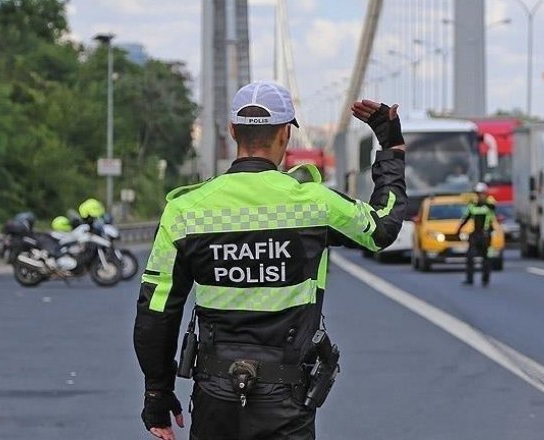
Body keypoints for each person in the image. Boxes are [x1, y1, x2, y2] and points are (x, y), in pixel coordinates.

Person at [133, 80, 407, 440]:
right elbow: (382, 228)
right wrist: (391, 149)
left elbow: (155, 313)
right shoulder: (315, 204)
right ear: (285, 135)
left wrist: (158, 393)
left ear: (233, 132)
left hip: (215, 396)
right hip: (286, 397)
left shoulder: (184, 211)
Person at [456, 182, 497, 287]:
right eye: (478, 194)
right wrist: (458, 230)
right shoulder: (472, 206)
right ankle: (470, 279)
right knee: (470, 256)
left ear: (485, 193)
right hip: (475, 234)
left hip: (486, 234)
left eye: (482, 193)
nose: (480, 196)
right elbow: (466, 218)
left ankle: (485, 279)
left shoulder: (489, 205)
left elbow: (493, 210)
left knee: (486, 258)